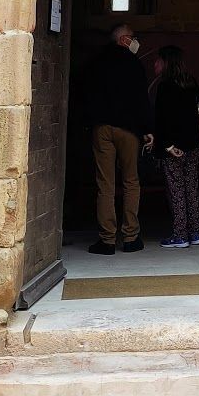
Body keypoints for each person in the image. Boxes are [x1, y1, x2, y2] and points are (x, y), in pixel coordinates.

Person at [81, 23, 153, 255]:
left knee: (106, 184)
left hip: (102, 128)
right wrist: (147, 128)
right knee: (131, 181)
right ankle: (131, 237)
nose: (135, 41)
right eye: (133, 37)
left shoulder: (96, 63)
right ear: (123, 40)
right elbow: (142, 98)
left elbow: (86, 95)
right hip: (129, 130)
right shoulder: (134, 64)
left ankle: (107, 240)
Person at [152, 45, 199, 249]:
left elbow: (161, 119)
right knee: (191, 188)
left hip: (174, 146)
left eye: (158, 60)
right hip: (193, 143)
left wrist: (167, 145)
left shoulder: (165, 86)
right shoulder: (191, 82)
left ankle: (180, 236)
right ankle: (195, 233)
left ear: (166, 62)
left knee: (176, 190)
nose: (155, 64)